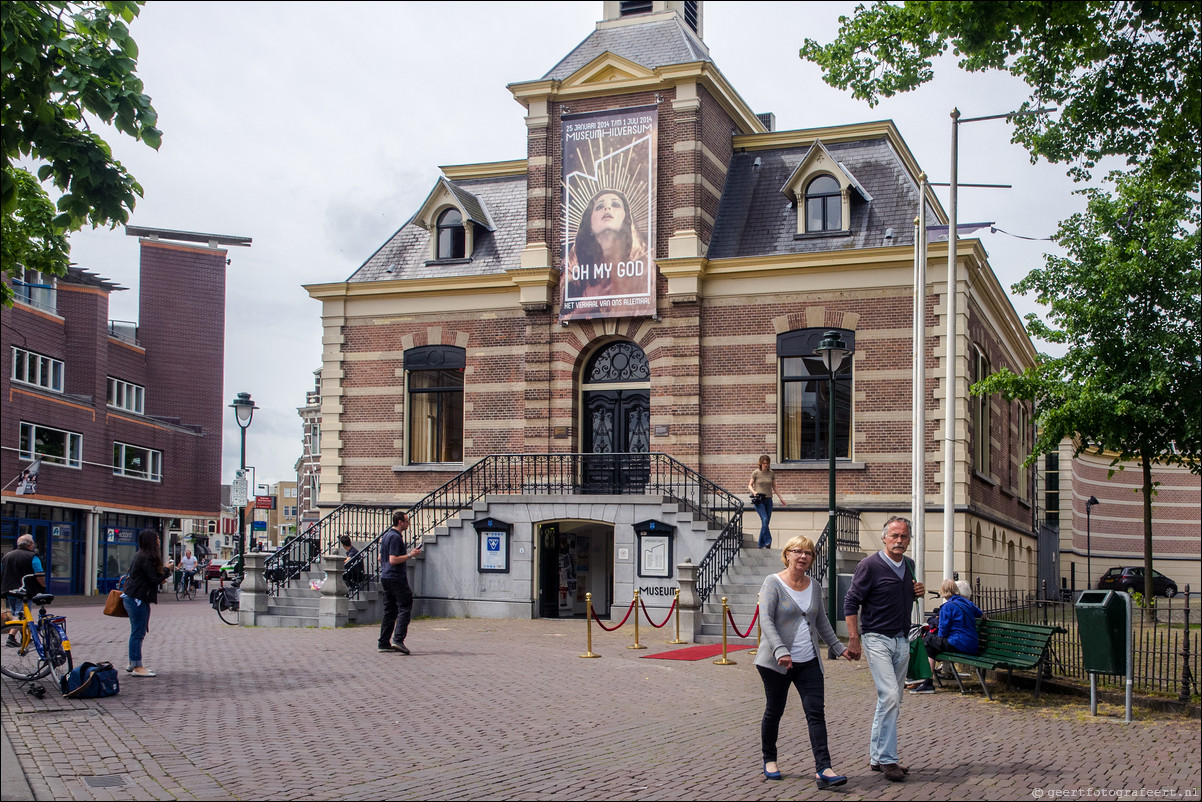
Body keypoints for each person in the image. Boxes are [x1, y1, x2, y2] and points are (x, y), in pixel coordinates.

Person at [755, 535, 854, 789]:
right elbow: (765, 619)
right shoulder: (772, 583)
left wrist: (839, 648)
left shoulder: (815, 585)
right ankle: (770, 759)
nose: (803, 556)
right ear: (787, 554)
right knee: (774, 711)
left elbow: (821, 622)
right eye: (797, 551)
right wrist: (780, 650)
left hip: (809, 661)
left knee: (815, 713)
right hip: (776, 663)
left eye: (808, 553)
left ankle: (824, 769)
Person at [843, 516, 925, 782]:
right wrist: (854, 638)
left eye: (904, 536)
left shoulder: (910, 565)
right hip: (876, 638)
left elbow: (902, 596)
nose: (899, 541)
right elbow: (851, 601)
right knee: (890, 695)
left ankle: (876, 758)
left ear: (908, 539)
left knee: (891, 700)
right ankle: (889, 760)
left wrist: (917, 591)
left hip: (902, 639)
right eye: (894, 536)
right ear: (884, 537)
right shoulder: (870, 565)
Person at [566, 188, 649, 298]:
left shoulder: (646, 266)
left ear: (626, 217)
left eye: (615, 204)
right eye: (599, 207)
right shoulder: (571, 267)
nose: (607, 208)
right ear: (589, 221)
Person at [909, 579, 985, 694]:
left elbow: (942, 632)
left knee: (927, 640)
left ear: (943, 592)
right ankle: (926, 682)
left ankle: (926, 682)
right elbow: (980, 613)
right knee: (930, 645)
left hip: (958, 643)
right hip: (972, 644)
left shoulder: (947, 607)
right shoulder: (967, 602)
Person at [122, 529, 173, 677]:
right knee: (138, 633)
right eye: (157, 538)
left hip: (132, 597)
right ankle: (137, 667)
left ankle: (133, 662)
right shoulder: (146, 557)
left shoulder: (140, 555)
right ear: (152, 541)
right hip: (138, 599)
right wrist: (167, 569)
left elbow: (147, 577)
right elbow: (153, 578)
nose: (158, 541)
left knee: (136, 632)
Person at [379, 510, 422, 654]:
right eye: (407, 521)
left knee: (389, 610)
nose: (408, 524)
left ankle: (384, 643)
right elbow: (393, 559)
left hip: (385, 576)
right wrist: (411, 554)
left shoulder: (386, 536)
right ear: (400, 522)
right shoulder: (396, 537)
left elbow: (381, 558)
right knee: (405, 605)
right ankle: (398, 640)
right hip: (396, 576)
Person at [2, 535, 44, 645]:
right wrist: (43, 587)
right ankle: (11, 637)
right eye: (33, 543)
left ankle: (25, 637)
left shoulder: (7, 556)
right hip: (24, 591)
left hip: (10, 591)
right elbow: (39, 573)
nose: (34, 545)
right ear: (29, 545)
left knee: (17, 613)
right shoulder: (32, 557)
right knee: (22, 615)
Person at [748, 455, 787, 549]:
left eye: (767, 463)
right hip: (759, 500)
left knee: (765, 523)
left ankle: (760, 544)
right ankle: (768, 542)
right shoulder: (756, 473)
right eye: (764, 463)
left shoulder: (771, 473)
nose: (766, 465)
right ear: (760, 463)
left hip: (769, 500)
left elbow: (774, 487)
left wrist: (781, 498)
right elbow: (749, 485)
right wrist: (754, 492)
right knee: (765, 520)